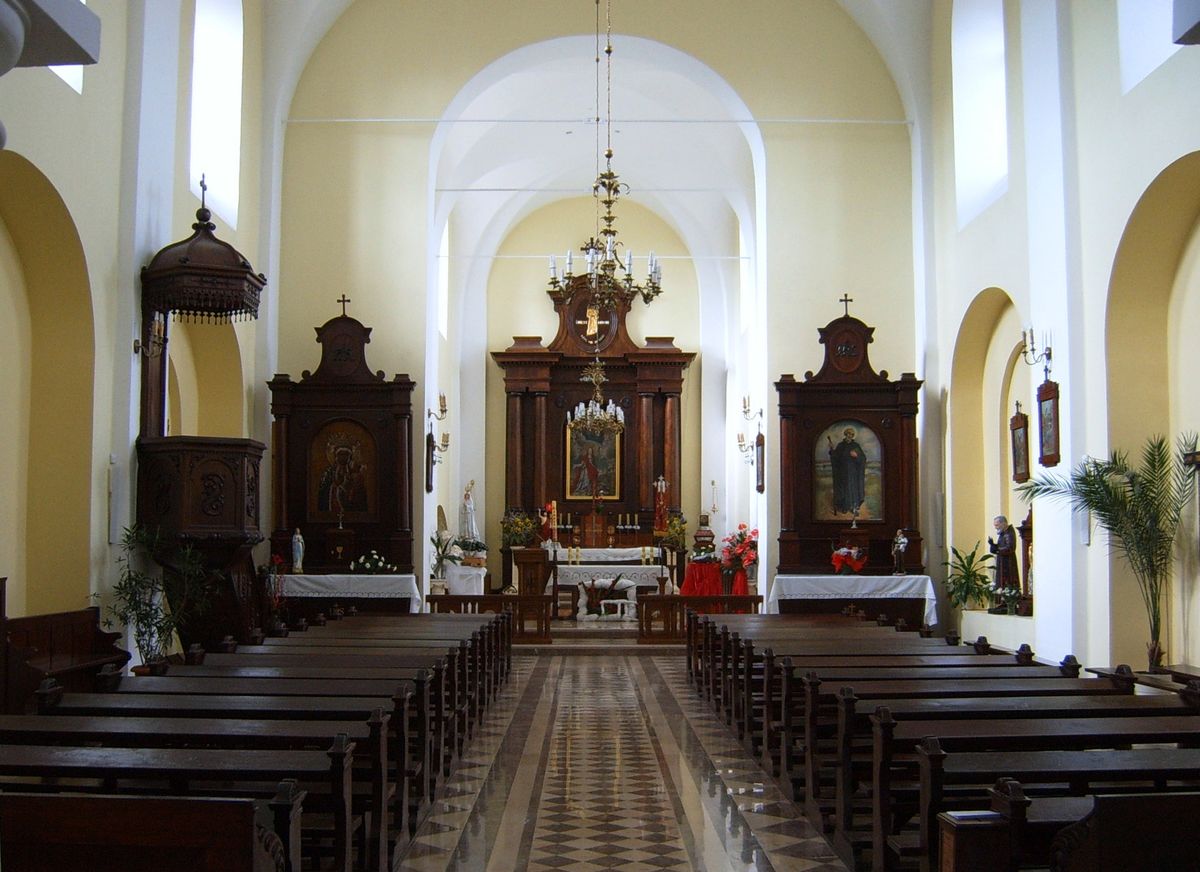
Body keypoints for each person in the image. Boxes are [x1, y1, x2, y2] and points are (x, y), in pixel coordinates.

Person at [828, 427, 866, 517]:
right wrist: (832, 450)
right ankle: (845, 507)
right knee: (844, 489)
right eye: (848, 434)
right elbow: (836, 458)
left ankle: (854, 508)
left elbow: (863, 458)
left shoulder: (856, 446)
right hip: (843, 472)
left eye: (852, 434)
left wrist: (857, 456)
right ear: (845, 434)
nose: (850, 436)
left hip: (853, 473)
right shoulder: (841, 445)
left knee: (853, 489)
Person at [988, 514, 1019, 592]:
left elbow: (1010, 548)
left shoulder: (1009, 533)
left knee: (1008, 584)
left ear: (1003, 523)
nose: (996, 527)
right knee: (1001, 585)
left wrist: (997, 549)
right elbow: (998, 548)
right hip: (1002, 563)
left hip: (1008, 564)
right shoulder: (1003, 533)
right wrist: (992, 545)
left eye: (997, 525)